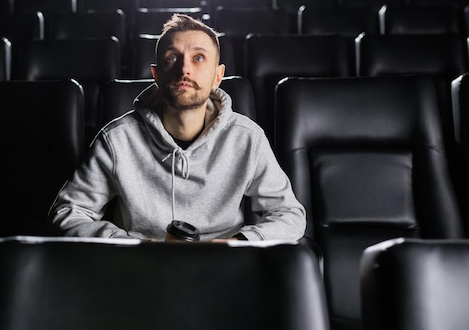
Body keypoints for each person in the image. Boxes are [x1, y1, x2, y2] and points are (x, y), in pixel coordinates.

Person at [49, 13, 306, 241]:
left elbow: (290, 215)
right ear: (156, 74)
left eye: (198, 58)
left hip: (224, 268)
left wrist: (236, 243)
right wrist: (131, 245)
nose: (184, 69)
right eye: (172, 58)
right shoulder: (116, 140)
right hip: (140, 271)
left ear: (218, 75)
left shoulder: (248, 138)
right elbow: (68, 213)